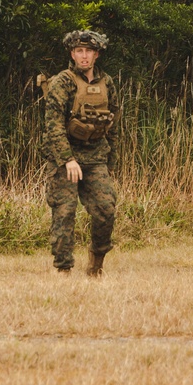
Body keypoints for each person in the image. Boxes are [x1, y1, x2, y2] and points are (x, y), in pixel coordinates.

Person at [42, 29, 119, 277]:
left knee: (106, 209)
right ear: (72, 54)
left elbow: (114, 123)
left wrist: (111, 162)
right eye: (79, 51)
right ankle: (63, 269)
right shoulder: (63, 82)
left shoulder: (106, 83)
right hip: (65, 157)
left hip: (96, 155)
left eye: (88, 51)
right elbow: (53, 125)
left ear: (96, 54)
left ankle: (96, 264)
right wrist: (67, 160)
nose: (83, 56)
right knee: (64, 212)